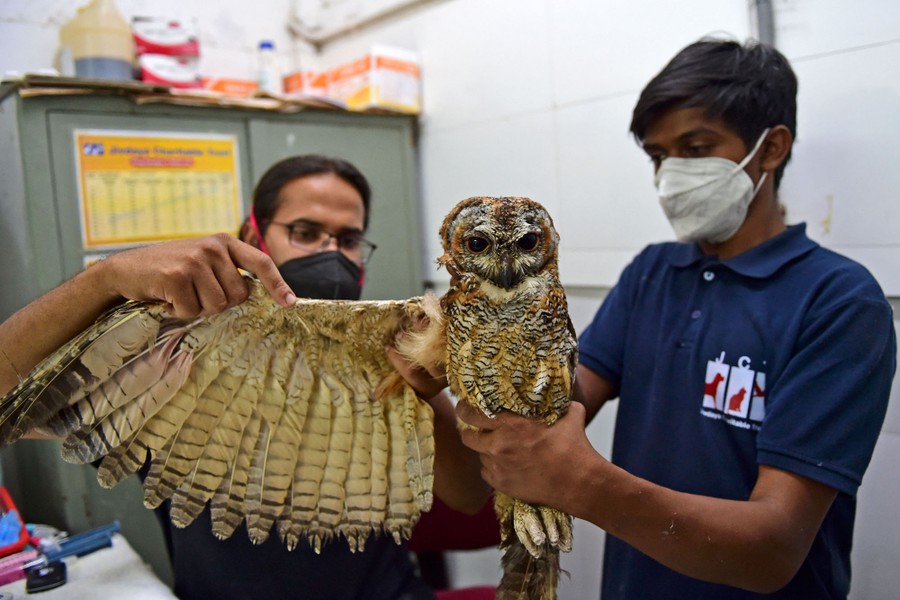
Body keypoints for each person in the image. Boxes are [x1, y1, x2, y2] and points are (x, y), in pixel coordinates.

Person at [454, 38, 896, 598]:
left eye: (695, 147)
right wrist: (449, 375)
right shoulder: (652, 273)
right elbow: (545, 412)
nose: (671, 174)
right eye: (659, 156)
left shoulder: (837, 300)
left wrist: (584, 483)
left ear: (770, 149)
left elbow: (773, 548)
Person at [0, 154, 488, 599]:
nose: (332, 251)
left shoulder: (394, 349)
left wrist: (424, 394)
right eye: (306, 231)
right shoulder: (173, 349)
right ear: (254, 238)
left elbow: (469, 498)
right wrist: (106, 278)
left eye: (349, 239)